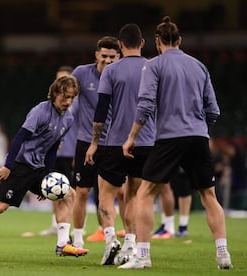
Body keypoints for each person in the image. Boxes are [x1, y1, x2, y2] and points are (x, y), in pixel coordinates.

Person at [120, 16, 232, 269]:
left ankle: (143, 256)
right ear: (179, 41)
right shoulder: (199, 66)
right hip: (198, 136)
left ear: (158, 41)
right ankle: (223, 253)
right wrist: (201, 130)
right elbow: (213, 110)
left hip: (170, 137)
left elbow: (146, 104)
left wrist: (132, 137)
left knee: (145, 193)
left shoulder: (154, 65)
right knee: (209, 195)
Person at [0, 75, 89, 260]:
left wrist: (48, 179)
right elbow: (19, 138)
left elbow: (52, 148)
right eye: (65, 97)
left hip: (38, 169)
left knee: (68, 194)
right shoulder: (40, 111)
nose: (68, 102)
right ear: (55, 93)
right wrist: (8, 166)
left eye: (72, 98)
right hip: (20, 165)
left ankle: (63, 243)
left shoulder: (68, 118)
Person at [85, 23, 154, 265]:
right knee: (134, 196)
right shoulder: (153, 68)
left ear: (121, 45)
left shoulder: (111, 71)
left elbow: (101, 111)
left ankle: (111, 238)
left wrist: (94, 143)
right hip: (146, 142)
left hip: (115, 142)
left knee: (105, 195)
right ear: (143, 43)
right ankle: (131, 245)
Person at [71, 36, 121, 247]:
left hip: (114, 142)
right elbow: (69, 99)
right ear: (96, 55)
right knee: (82, 191)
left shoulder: (124, 76)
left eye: (112, 57)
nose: (108, 61)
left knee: (117, 194)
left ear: (119, 56)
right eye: (104, 56)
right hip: (85, 141)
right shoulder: (81, 73)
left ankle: (115, 237)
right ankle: (79, 238)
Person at [39, 65, 76, 236]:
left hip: (70, 151)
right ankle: (55, 224)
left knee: (69, 191)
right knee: (52, 188)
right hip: (53, 153)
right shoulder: (53, 103)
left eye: (64, 77)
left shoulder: (74, 102)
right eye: (58, 78)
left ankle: (70, 226)